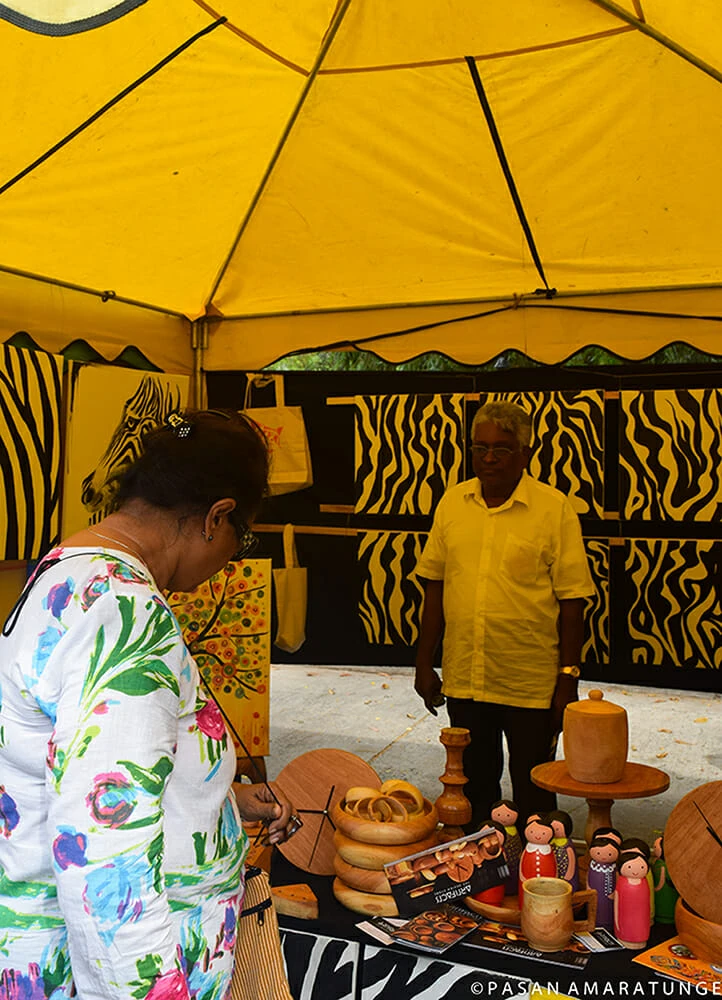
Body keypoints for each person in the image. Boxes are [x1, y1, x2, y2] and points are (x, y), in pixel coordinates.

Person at [0, 410, 296, 999]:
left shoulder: (69, 570)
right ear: (218, 516)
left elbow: (82, 770)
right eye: (245, 539)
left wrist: (220, 798)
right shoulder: (127, 612)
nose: (232, 561)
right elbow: (106, 847)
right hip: (107, 971)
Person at [414, 400, 594, 828]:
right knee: (472, 792)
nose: (489, 458)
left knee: (535, 795)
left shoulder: (554, 509)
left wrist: (568, 678)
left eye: (502, 448)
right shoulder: (452, 504)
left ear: (526, 453)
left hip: (529, 683)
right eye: (480, 448)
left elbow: (574, 600)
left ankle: (535, 888)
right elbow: (434, 587)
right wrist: (424, 663)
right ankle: (479, 885)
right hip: (467, 678)